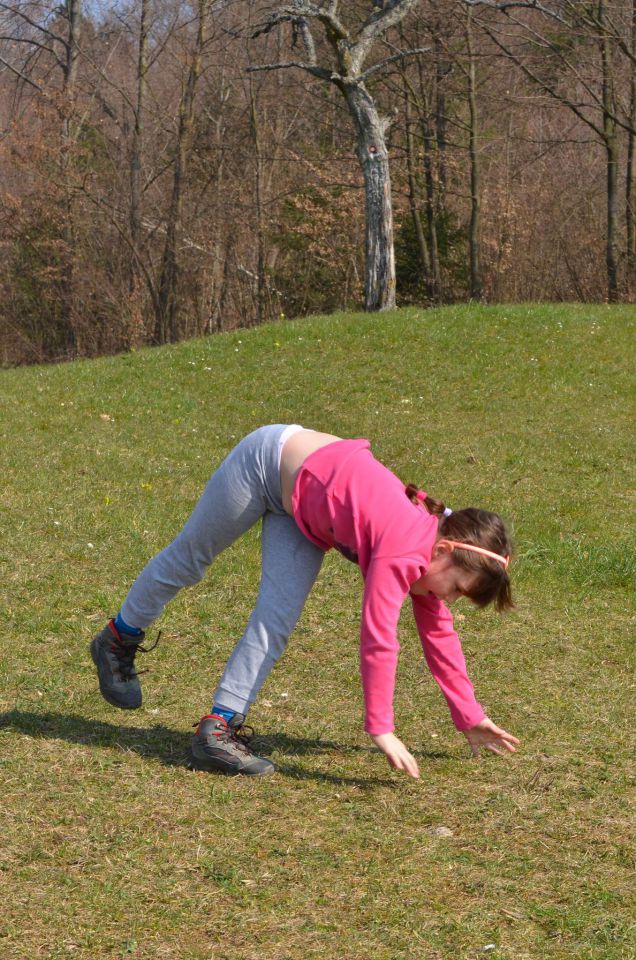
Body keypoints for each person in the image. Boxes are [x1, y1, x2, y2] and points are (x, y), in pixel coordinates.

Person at [90, 424, 520, 778]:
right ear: (444, 550)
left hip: (301, 509)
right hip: (264, 463)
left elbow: (439, 635)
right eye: (458, 589)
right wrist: (382, 728)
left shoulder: (428, 558)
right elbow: (379, 638)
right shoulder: (403, 548)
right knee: (190, 560)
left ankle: (216, 732)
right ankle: (117, 637)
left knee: (277, 617)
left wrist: (468, 713)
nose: (450, 599)